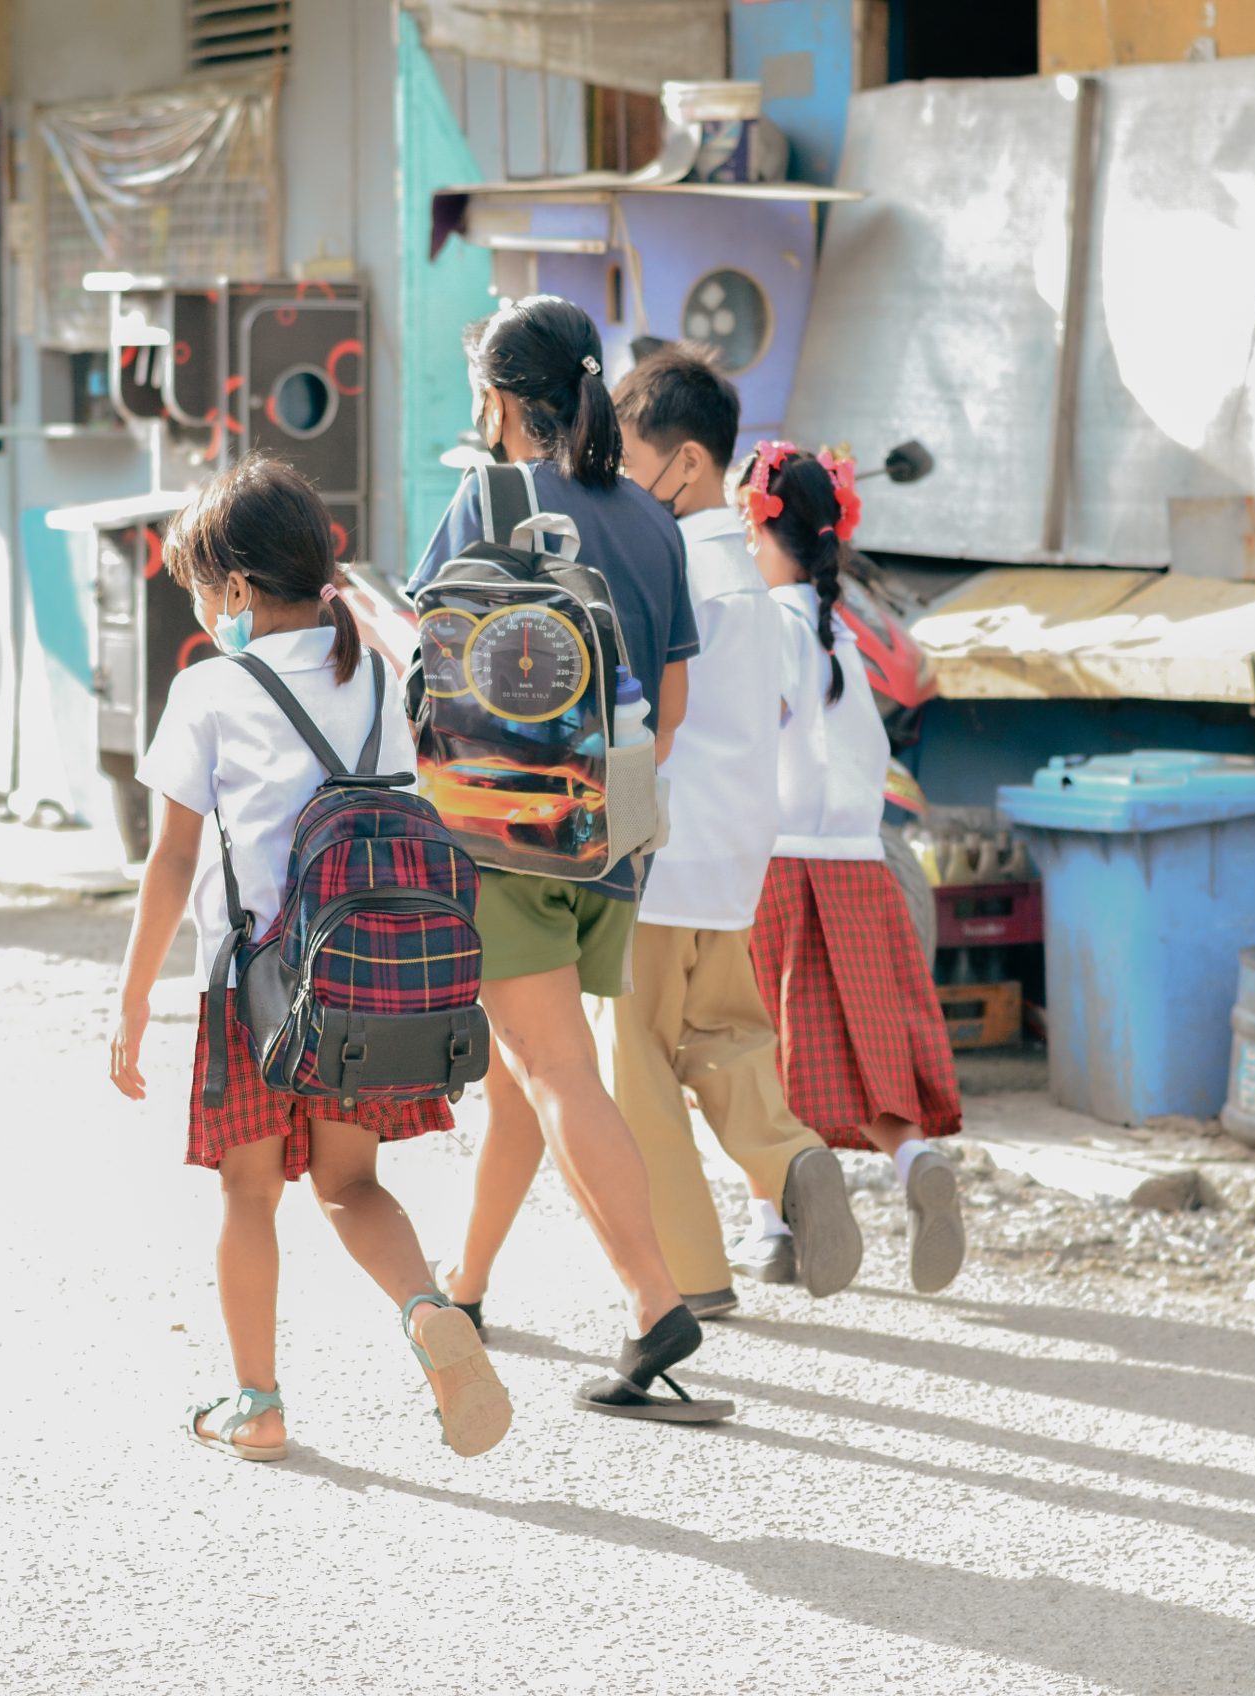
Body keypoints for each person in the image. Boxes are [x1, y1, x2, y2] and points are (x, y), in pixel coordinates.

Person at [108, 455, 512, 1465]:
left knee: (250, 1195)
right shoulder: (374, 673)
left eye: (204, 585)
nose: (205, 605)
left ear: (237, 588)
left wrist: (127, 1005)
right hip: (366, 983)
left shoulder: (210, 687)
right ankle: (428, 1309)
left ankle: (258, 1402)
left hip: (254, 989)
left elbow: (169, 864)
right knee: (348, 1185)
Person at [412, 296, 729, 1423]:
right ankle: (466, 1284)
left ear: (499, 399)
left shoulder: (488, 499)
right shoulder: (650, 519)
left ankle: (654, 1304)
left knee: (553, 1072)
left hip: (507, 841)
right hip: (610, 843)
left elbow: (435, 661)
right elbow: (674, 696)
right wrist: (602, 805)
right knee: (523, 1078)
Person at [593, 346, 865, 1316]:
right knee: (727, 1042)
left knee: (642, 1076)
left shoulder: (664, 564)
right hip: (733, 863)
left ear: (688, 464)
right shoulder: (749, 578)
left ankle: (690, 1278)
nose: (620, 478)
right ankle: (793, 1162)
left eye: (628, 459)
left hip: (657, 861)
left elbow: (636, 715)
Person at [728, 440, 967, 1295]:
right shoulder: (845, 638)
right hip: (860, 868)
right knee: (862, 1051)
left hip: (778, 871)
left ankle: (770, 1226)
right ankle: (915, 1163)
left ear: (758, 534)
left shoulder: (764, 630)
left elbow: (749, 739)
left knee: (758, 1055)